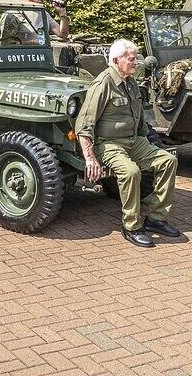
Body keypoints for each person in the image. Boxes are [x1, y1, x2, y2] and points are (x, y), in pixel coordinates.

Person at [75, 39, 179, 248]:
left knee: (168, 161)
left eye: (136, 58)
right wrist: (90, 158)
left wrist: (148, 143)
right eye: (132, 59)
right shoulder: (103, 84)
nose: (136, 62)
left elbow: (140, 119)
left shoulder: (130, 81)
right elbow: (83, 125)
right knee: (131, 172)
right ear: (116, 60)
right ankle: (131, 226)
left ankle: (156, 218)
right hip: (108, 144)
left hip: (133, 141)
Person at [0, 0, 69, 45]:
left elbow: (63, 34)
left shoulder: (44, 14)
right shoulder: (14, 14)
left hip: (42, 56)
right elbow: (4, 44)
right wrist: (34, 42)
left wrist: (62, 13)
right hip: (23, 55)